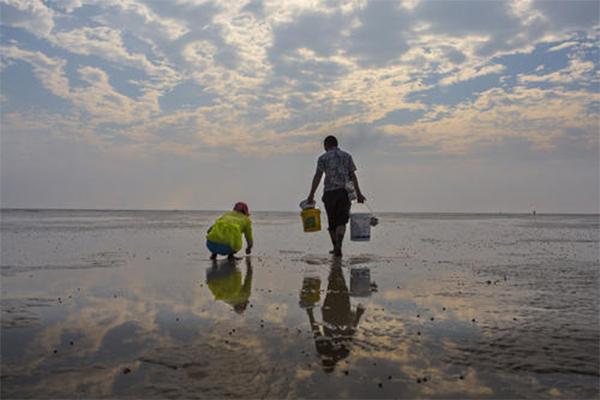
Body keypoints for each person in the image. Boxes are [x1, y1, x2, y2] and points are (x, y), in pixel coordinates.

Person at [305, 135, 366, 257]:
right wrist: (359, 193)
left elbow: (318, 176)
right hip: (344, 193)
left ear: (327, 145)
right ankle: (339, 245)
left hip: (329, 193)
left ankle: (335, 247)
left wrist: (311, 195)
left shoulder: (323, 158)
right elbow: (353, 176)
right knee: (342, 221)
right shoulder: (347, 156)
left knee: (332, 223)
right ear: (336, 144)